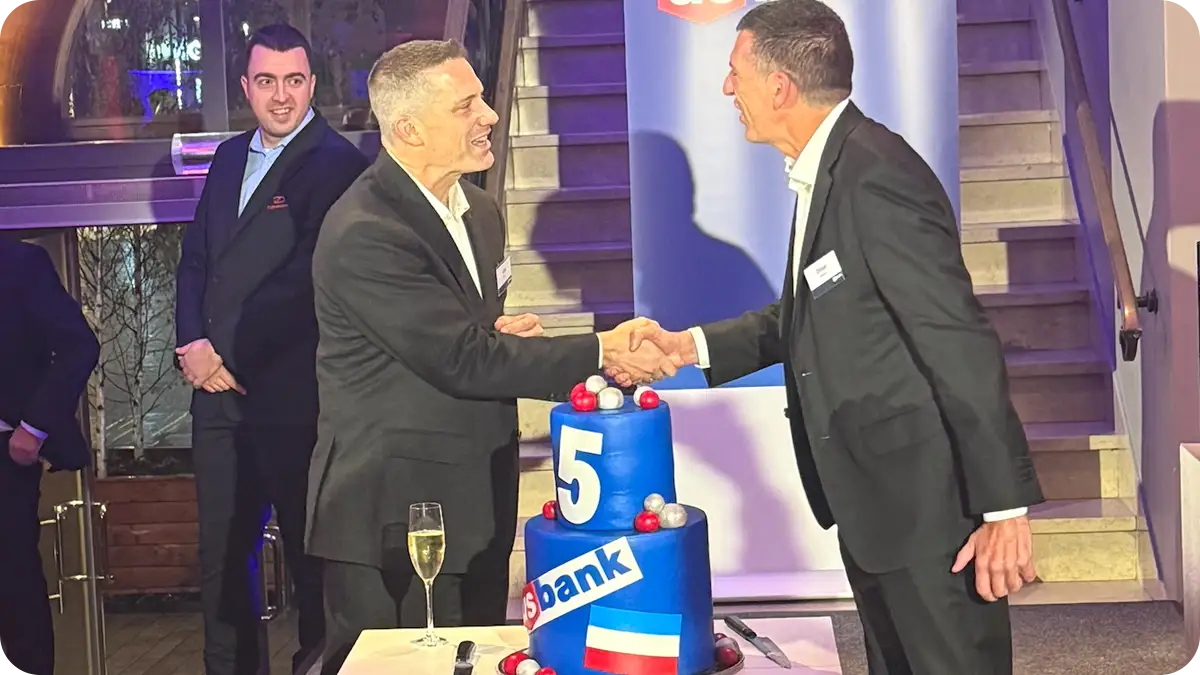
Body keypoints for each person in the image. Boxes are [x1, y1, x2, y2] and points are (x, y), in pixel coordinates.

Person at [614, 1, 1044, 672]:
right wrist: (685, 347)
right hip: (879, 510)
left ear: (780, 86)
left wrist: (1004, 506)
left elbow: (958, 340)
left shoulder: (877, 177)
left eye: (737, 73)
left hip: (931, 513)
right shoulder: (830, 170)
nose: (729, 89)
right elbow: (803, 315)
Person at [305, 39, 669, 673]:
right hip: (394, 517)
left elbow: (460, 333)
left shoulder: (480, 212)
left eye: (483, 99)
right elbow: (460, 359)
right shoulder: (365, 230)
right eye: (466, 104)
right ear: (409, 128)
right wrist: (602, 350)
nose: (490, 116)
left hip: (476, 499)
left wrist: (494, 332)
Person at [173, 23, 370, 675]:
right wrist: (190, 343)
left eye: (293, 80)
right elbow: (197, 259)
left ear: (312, 84)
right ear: (245, 87)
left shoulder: (338, 165)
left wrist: (225, 350)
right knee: (222, 559)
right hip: (215, 397)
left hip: (292, 399)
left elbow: (308, 279)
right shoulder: (228, 157)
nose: (280, 96)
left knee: (312, 560)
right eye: (266, 81)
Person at [0, 236, 100, 675]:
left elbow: (80, 346)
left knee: (13, 585)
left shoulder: (19, 262)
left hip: (5, 453)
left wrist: (33, 427)